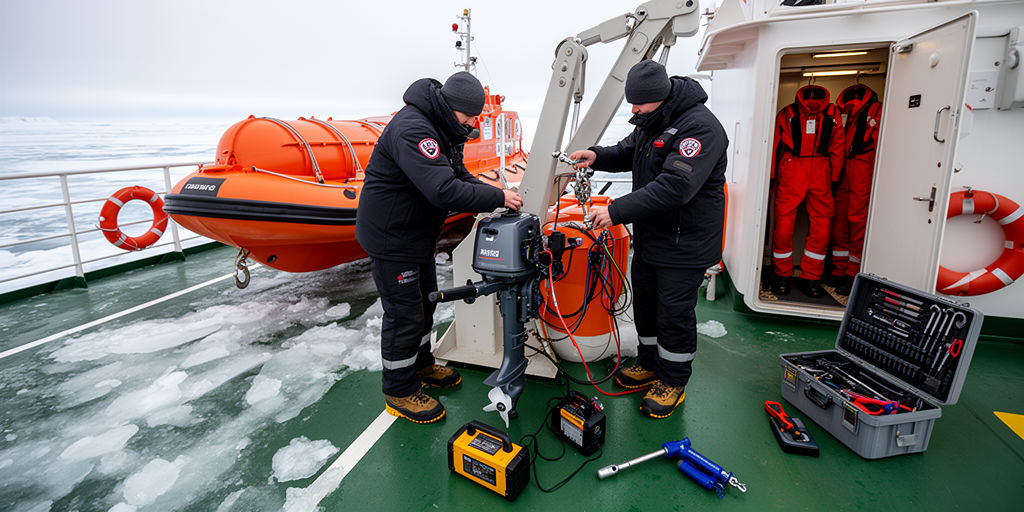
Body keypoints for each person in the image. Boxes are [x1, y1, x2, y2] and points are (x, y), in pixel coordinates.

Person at [355, 71, 523, 424]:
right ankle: (399, 389)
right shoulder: (414, 129)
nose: (473, 122)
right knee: (405, 315)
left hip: (416, 236)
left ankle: (422, 366)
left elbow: (458, 174)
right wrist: (497, 196)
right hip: (392, 237)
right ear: (452, 107)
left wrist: (497, 197)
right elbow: (442, 190)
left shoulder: (444, 128)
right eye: (469, 116)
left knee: (425, 303)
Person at [569, 60, 727, 419]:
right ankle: (649, 363)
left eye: (638, 103)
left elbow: (676, 186)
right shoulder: (653, 119)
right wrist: (595, 155)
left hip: (685, 243)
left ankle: (672, 379)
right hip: (654, 237)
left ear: (659, 96)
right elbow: (628, 151)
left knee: (673, 314)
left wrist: (617, 210)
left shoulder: (699, 129)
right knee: (647, 306)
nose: (633, 110)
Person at [769, 85, 845, 298]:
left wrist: (835, 177)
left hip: (822, 169)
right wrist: (772, 176)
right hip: (792, 167)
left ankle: (811, 276)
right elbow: (775, 144)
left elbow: (839, 146)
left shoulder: (833, 114)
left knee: (822, 228)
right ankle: (781, 275)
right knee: (783, 226)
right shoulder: (787, 114)